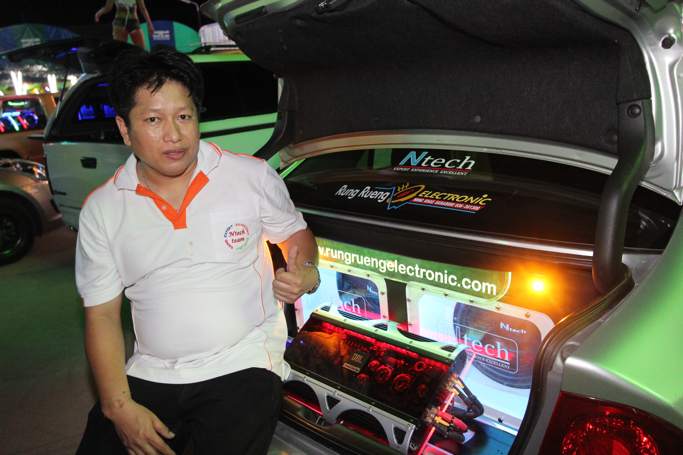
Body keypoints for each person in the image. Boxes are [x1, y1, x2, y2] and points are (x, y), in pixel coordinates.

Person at [75, 46, 319, 455]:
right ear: (124, 129)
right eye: (153, 120)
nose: (174, 135)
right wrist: (118, 406)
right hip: (152, 370)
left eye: (184, 116)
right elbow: (101, 314)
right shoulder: (103, 208)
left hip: (242, 362)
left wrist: (307, 271)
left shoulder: (250, 176)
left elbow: (297, 236)